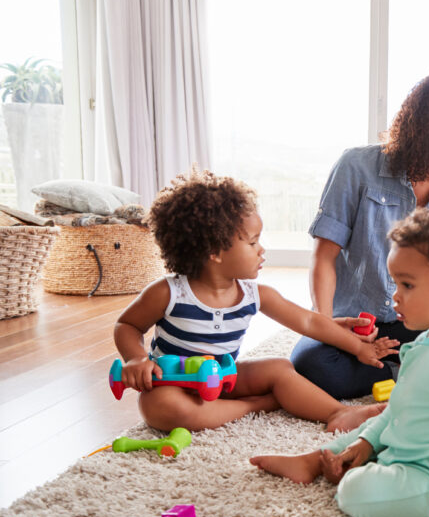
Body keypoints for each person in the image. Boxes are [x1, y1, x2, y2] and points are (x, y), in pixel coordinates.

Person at [252, 206, 429, 517]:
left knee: (355, 492)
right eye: (395, 282)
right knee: (365, 430)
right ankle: (314, 462)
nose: (394, 295)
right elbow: (398, 409)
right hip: (399, 447)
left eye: (407, 285)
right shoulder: (422, 345)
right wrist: (368, 443)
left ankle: (350, 472)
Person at [114, 169, 397, 433]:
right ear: (214, 251)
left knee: (279, 368)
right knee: (159, 408)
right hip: (174, 385)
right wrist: (137, 359)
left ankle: (337, 413)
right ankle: (260, 405)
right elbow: (127, 325)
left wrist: (358, 348)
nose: (261, 250)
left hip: (225, 377)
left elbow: (309, 321)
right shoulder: (169, 292)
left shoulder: (254, 294)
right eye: (252, 243)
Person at [291, 70, 429, 400]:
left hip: (418, 326)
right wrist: (330, 329)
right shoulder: (357, 166)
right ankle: (421, 377)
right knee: (313, 364)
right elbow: (324, 256)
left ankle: (401, 372)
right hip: (353, 324)